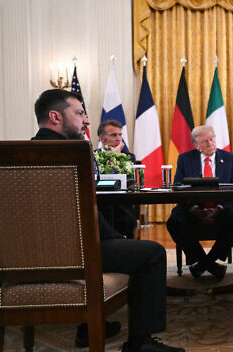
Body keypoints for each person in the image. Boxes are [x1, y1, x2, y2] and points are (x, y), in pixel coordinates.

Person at [32, 89, 184, 352]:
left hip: (29, 255)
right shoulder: (76, 152)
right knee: (152, 254)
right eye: (79, 113)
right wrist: (117, 238)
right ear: (55, 117)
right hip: (79, 251)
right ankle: (140, 342)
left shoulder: (12, 156)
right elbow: (86, 211)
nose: (86, 121)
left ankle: (92, 324)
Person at [166, 125, 233, 280]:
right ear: (196, 145)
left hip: (222, 207)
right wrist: (195, 209)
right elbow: (178, 187)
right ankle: (210, 264)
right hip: (193, 209)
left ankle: (204, 263)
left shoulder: (228, 158)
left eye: (212, 139)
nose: (210, 143)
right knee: (174, 222)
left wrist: (219, 209)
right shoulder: (185, 159)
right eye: (205, 141)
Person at [97, 119, 138, 238]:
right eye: (113, 135)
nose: (118, 139)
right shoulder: (92, 155)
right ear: (101, 139)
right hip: (100, 204)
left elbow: (130, 182)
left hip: (122, 204)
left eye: (120, 134)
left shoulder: (128, 157)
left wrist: (116, 157)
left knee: (123, 217)